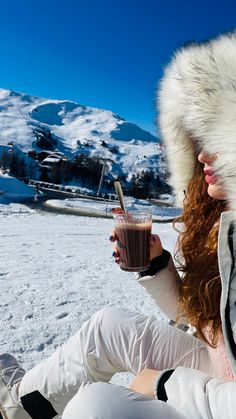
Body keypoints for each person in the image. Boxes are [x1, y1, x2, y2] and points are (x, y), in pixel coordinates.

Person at [1, 31, 236, 419]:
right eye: (201, 136)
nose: (202, 154)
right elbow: (205, 320)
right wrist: (155, 266)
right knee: (107, 328)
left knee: (97, 406)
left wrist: (165, 384)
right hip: (220, 368)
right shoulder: (224, 224)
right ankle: (17, 408)